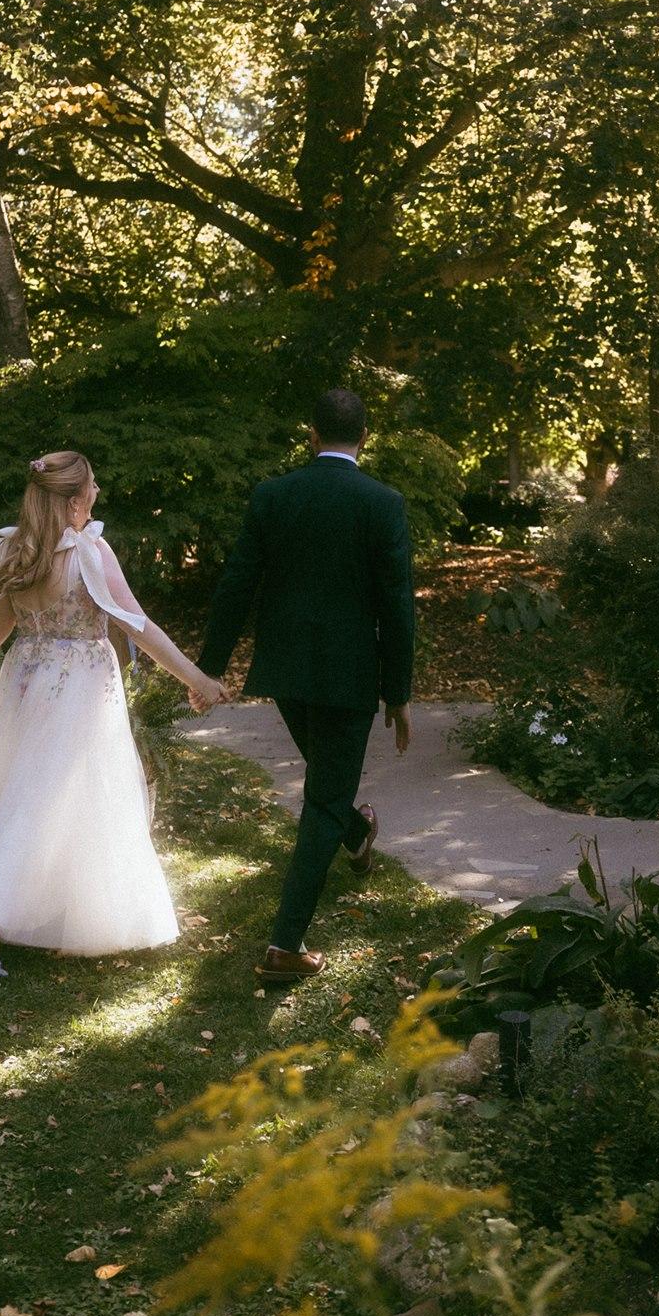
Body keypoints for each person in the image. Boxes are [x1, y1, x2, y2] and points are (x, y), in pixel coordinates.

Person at [0, 450, 226, 981]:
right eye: (91, 487)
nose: (97, 493)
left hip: (25, 680)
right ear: (72, 501)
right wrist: (196, 678)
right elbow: (137, 624)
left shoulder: (17, 550)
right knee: (50, 798)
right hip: (82, 685)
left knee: (27, 791)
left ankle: (35, 911)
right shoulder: (89, 551)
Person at [196, 388, 415, 984]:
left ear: (311, 434)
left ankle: (356, 830)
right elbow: (397, 605)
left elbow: (236, 583)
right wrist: (397, 692)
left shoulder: (275, 494)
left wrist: (209, 666)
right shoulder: (383, 502)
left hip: (286, 672)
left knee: (326, 789)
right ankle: (285, 946)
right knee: (322, 796)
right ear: (363, 439)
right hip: (347, 677)